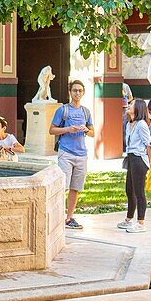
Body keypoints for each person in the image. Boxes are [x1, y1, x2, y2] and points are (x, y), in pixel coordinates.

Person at [49, 79, 94, 230]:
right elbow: (52, 130)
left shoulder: (85, 111)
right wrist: (68, 129)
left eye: (80, 91)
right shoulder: (63, 110)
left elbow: (93, 132)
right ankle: (57, 217)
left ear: (83, 93)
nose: (77, 93)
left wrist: (86, 130)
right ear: (70, 92)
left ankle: (70, 218)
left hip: (82, 154)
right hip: (66, 153)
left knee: (76, 188)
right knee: (63, 186)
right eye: (75, 90)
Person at [118, 98, 151, 234]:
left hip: (139, 159)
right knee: (129, 190)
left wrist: (149, 163)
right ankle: (129, 219)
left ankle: (141, 222)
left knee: (139, 192)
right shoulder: (129, 124)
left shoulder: (141, 125)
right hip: (131, 157)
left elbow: (148, 144)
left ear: (138, 108)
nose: (128, 105)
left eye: (131, 104)